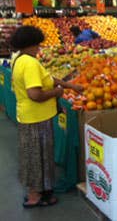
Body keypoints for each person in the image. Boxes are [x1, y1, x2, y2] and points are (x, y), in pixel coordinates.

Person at [10, 26, 83, 208]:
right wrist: (57, 93)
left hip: (29, 116)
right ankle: (35, 195)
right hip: (36, 118)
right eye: (38, 44)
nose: (40, 47)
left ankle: (43, 192)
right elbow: (35, 94)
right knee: (37, 157)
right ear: (32, 44)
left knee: (37, 155)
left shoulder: (20, 59)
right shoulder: (30, 64)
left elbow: (48, 78)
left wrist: (69, 86)